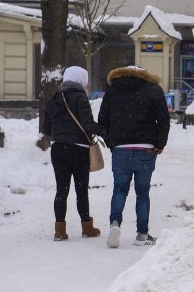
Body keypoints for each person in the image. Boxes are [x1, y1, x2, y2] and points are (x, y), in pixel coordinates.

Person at [98, 65, 171, 248]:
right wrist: (160, 143)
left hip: (121, 148)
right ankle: (142, 234)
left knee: (119, 189)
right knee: (142, 192)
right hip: (145, 148)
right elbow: (163, 119)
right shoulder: (153, 89)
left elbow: (102, 120)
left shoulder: (113, 90)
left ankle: (115, 224)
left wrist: (112, 141)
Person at [42, 66, 108, 241]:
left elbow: (46, 129)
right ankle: (87, 227)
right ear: (81, 80)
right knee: (81, 190)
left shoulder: (52, 99)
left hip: (58, 149)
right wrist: (106, 132)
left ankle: (59, 231)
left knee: (61, 191)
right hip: (78, 150)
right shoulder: (80, 97)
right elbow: (88, 124)